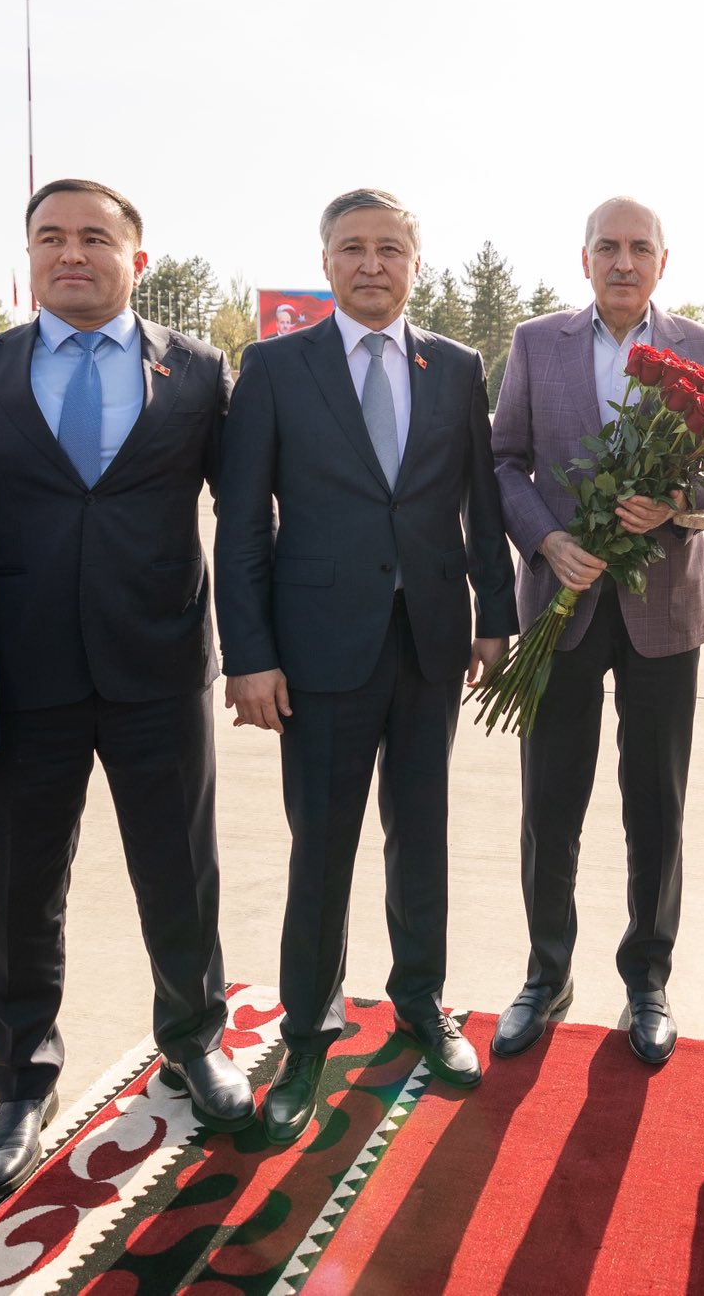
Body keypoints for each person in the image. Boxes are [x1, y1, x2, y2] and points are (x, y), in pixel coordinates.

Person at [0, 177, 249, 1198]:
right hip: (19, 678)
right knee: (22, 887)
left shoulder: (199, 370)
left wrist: (258, 649)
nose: (72, 253)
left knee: (179, 871)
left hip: (159, 667)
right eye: (51, 237)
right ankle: (23, 1081)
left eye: (95, 238)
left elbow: (245, 518)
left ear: (135, 259)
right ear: (27, 256)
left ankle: (193, 1039)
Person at [217, 188, 517, 1144]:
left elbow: (479, 502)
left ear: (415, 265)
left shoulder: (456, 366)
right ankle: (308, 1034)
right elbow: (242, 524)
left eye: (390, 248)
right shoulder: (274, 367)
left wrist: (495, 616)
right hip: (316, 651)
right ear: (326, 262)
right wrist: (249, 655)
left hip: (430, 641)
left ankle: (420, 1001)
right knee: (322, 849)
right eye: (353, 248)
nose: (372, 264)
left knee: (420, 835)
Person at [487, 197, 704, 1064]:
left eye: (641, 248)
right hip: (558, 604)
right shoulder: (536, 343)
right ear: (585, 259)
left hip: (661, 611)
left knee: (657, 803)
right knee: (549, 802)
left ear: (663, 263)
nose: (624, 262)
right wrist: (546, 539)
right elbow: (504, 460)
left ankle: (648, 979)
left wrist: (678, 502)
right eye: (608, 247)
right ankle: (546, 974)